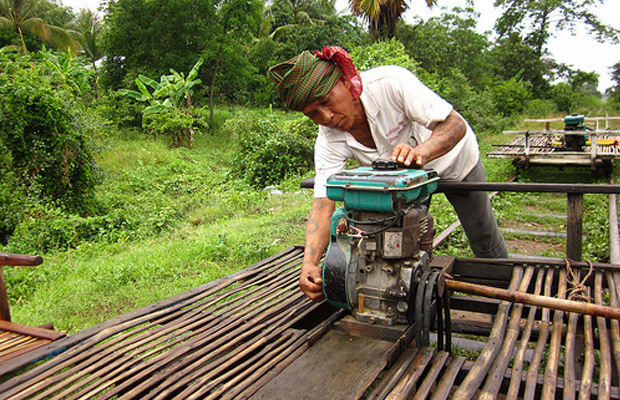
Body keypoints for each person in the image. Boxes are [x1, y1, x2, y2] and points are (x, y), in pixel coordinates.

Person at [268, 46, 508, 302]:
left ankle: (505, 293)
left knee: (482, 233)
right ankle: (406, 293)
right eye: (312, 114)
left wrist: (422, 152)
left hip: (455, 163)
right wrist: (309, 264)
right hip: (404, 182)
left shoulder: (391, 83)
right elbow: (323, 203)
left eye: (326, 102)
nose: (326, 117)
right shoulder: (328, 138)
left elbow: (455, 124)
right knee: (395, 238)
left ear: (347, 83)